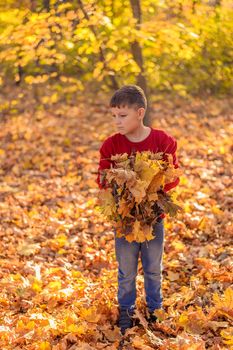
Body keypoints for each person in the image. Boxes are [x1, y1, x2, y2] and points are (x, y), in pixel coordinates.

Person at [96, 85, 180, 335]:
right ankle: (126, 309)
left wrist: (149, 183)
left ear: (140, 113)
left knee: (154, 266)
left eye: (122, 116)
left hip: (153, 215)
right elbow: (102, 179)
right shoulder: (111, 146)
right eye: (113, 115)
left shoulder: (162, 141)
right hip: (124, 217)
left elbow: (173, 176)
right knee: (126, 269)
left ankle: (155, 309)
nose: (117, 121)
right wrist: (123, 183)